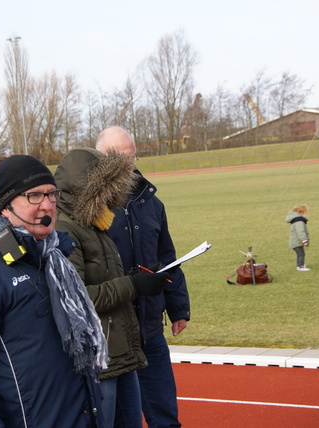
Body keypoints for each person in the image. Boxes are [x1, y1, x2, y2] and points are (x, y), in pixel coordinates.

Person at [0, 155, 108, 428]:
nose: (47, 205)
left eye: (52, 194)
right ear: (5, 206)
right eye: (34, 196)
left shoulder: (56, 257)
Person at [53, 147, 172, 428]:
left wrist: (138, 277)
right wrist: (134, 284)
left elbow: (102, 279)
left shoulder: (95, 222)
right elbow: (77, 298)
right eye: (106, 187)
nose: (113, 196)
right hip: (97, 359)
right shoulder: (65, 228)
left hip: (119, 352)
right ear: (88, 188)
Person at [96, 126, 190, 428]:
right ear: (100, 160)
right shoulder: (90, 209)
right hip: (112, 334)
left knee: (165, 414)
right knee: (121, 420)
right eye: (118, 158)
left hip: (150, 329)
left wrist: (178, 308)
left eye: (131, 157)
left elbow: (167, 258)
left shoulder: (152, 203)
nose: (127, 166)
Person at [286, 204, 310, 271]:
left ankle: (300, 265)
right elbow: (301, 232)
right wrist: (304, 240)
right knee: (301, 254)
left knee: (300, 253)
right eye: (305, 213)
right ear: (301, 213)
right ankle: (300, 267)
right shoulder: (299, 222)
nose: (306, 215)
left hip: (295, 241)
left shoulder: (296, 220)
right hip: (297, 242)